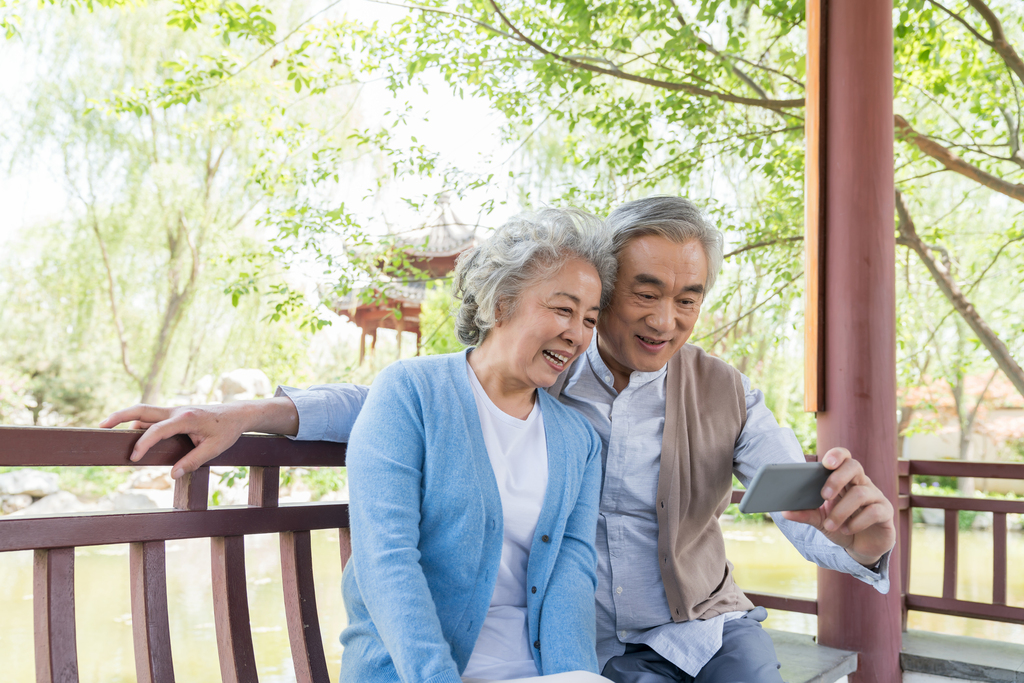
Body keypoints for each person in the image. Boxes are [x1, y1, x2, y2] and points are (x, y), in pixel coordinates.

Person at [105, 196, 898, 683]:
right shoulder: (537, 376)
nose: (665, 320)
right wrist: (248, 415)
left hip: (700, 627)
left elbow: (797, 498)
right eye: (644, 294)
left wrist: (858, 543)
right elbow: (396, 403)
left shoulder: (721, 392)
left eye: (688, 299)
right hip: (588, 648)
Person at [104, 209, 619, 683]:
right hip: (414, 670)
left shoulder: (578, 441)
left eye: (590, 319)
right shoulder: (411, 392)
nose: (576, 334)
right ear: (501, 302)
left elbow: (571, 578)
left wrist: (577, 678)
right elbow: (386, 558)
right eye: (562, 310)